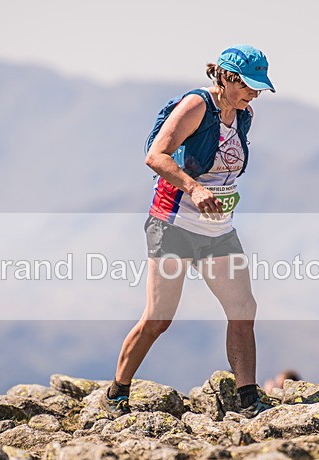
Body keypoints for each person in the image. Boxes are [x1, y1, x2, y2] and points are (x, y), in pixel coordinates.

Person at [100, 45, 276, 419]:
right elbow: (156, 156)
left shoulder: (243, 114)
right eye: (249, 86)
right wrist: (194, 188)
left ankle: (248, 398)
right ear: (227, 78)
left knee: (243, 310)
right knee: (159, 318)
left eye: (259, 88)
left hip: (218, 229)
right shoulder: (197, 106)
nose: (255, 94)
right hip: (173, 225)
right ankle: (117, 392)